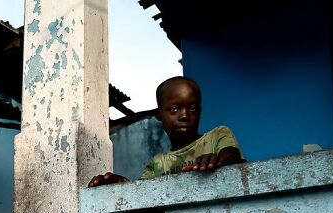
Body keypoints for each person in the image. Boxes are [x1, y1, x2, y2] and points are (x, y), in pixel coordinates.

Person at [88, 76, 243, 187]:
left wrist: (219, 162)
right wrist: (122, 185)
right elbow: (144, 197)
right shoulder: (157, 163)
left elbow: (232, 158)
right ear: (159, 115)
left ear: (200, 111)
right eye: (174, 109)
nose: (184, 115)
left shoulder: (218, 135)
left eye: (192, 108)